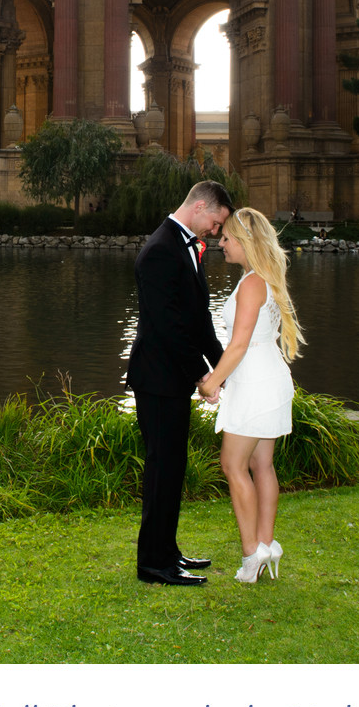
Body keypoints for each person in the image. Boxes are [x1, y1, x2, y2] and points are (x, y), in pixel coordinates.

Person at [126, 180, 234, 586]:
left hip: (172, 377)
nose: (216, 230)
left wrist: (224, 366)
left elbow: (198, 320)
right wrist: (202, 376)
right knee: (161, 469)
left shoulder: (185, 245)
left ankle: (168, 552)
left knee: (173, 467)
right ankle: (153, 564)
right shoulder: (159, 250)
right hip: (156, 379)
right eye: (216, 221)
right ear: (200, 205)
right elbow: (169, 327)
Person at [199, 208, 304, 584]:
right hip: (266, 378)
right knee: (262, 466)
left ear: (244, 241)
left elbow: (240, 344)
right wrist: (223, 378)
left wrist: (212, 382)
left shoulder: (252, 284)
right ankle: (267, 544)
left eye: (226, 238)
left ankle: (251, 554)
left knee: (232, 465)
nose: (220, 243)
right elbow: (246, 343)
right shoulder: (261, 279)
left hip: (256, 382)